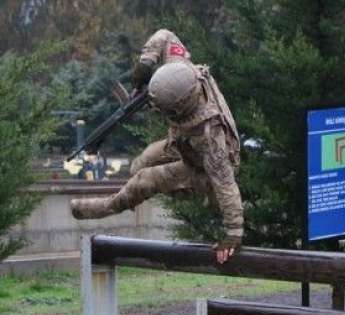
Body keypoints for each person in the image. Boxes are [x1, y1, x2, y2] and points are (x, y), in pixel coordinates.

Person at [70, 29, 243, 264]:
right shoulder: (180, 68)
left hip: (203, 170)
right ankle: (132, 187)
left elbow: (226, 186)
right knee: (140, 163)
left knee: (146, 179)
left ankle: (104, 207)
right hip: (183, 144)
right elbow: (165, 35)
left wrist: (232, 234)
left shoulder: (210, 137)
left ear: (177, 109)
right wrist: (145, 65)